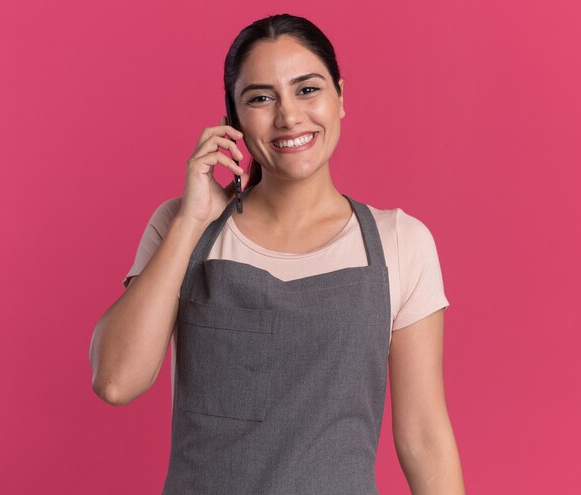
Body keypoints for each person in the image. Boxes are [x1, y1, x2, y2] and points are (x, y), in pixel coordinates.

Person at [89, 13, 465, 494]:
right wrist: (191, 222)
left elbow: (424, 440)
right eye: (261, 98)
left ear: (341, 98)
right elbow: (116, 381)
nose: (288, 116)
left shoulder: (399, 243)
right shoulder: (182, 227)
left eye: (307, 89)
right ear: (233, 121)